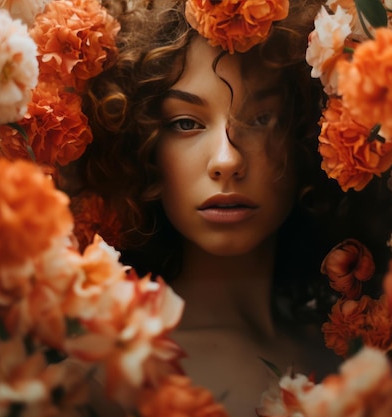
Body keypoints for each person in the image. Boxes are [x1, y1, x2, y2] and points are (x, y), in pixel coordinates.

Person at [72, 0, 349, 415]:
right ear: (142, 145)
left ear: (308, 132)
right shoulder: (107, 375)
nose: (227, 161)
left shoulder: (367, 357)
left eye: (260, 119)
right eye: (186, 123)